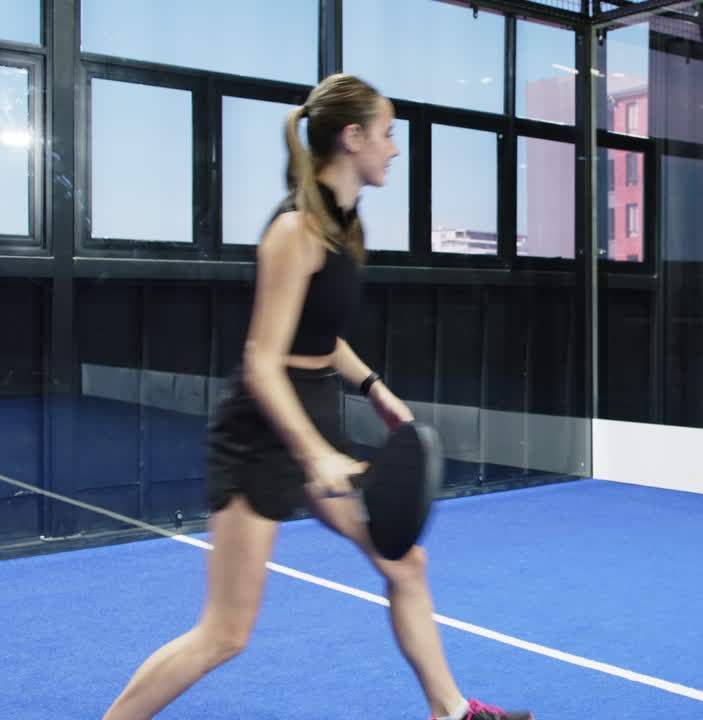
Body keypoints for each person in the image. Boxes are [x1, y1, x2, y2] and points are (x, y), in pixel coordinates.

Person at [102, 73, 532, 720]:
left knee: (405, 564)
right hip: (261, 436)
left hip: (314, 413)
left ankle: (451, 712)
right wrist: (315, 455)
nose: (393, 149)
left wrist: (374, 387)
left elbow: (321, 337)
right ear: (352, 137)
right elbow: (262, 361)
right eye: (387, 134)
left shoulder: (343, 227)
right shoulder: (295, 231)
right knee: (225, 633)